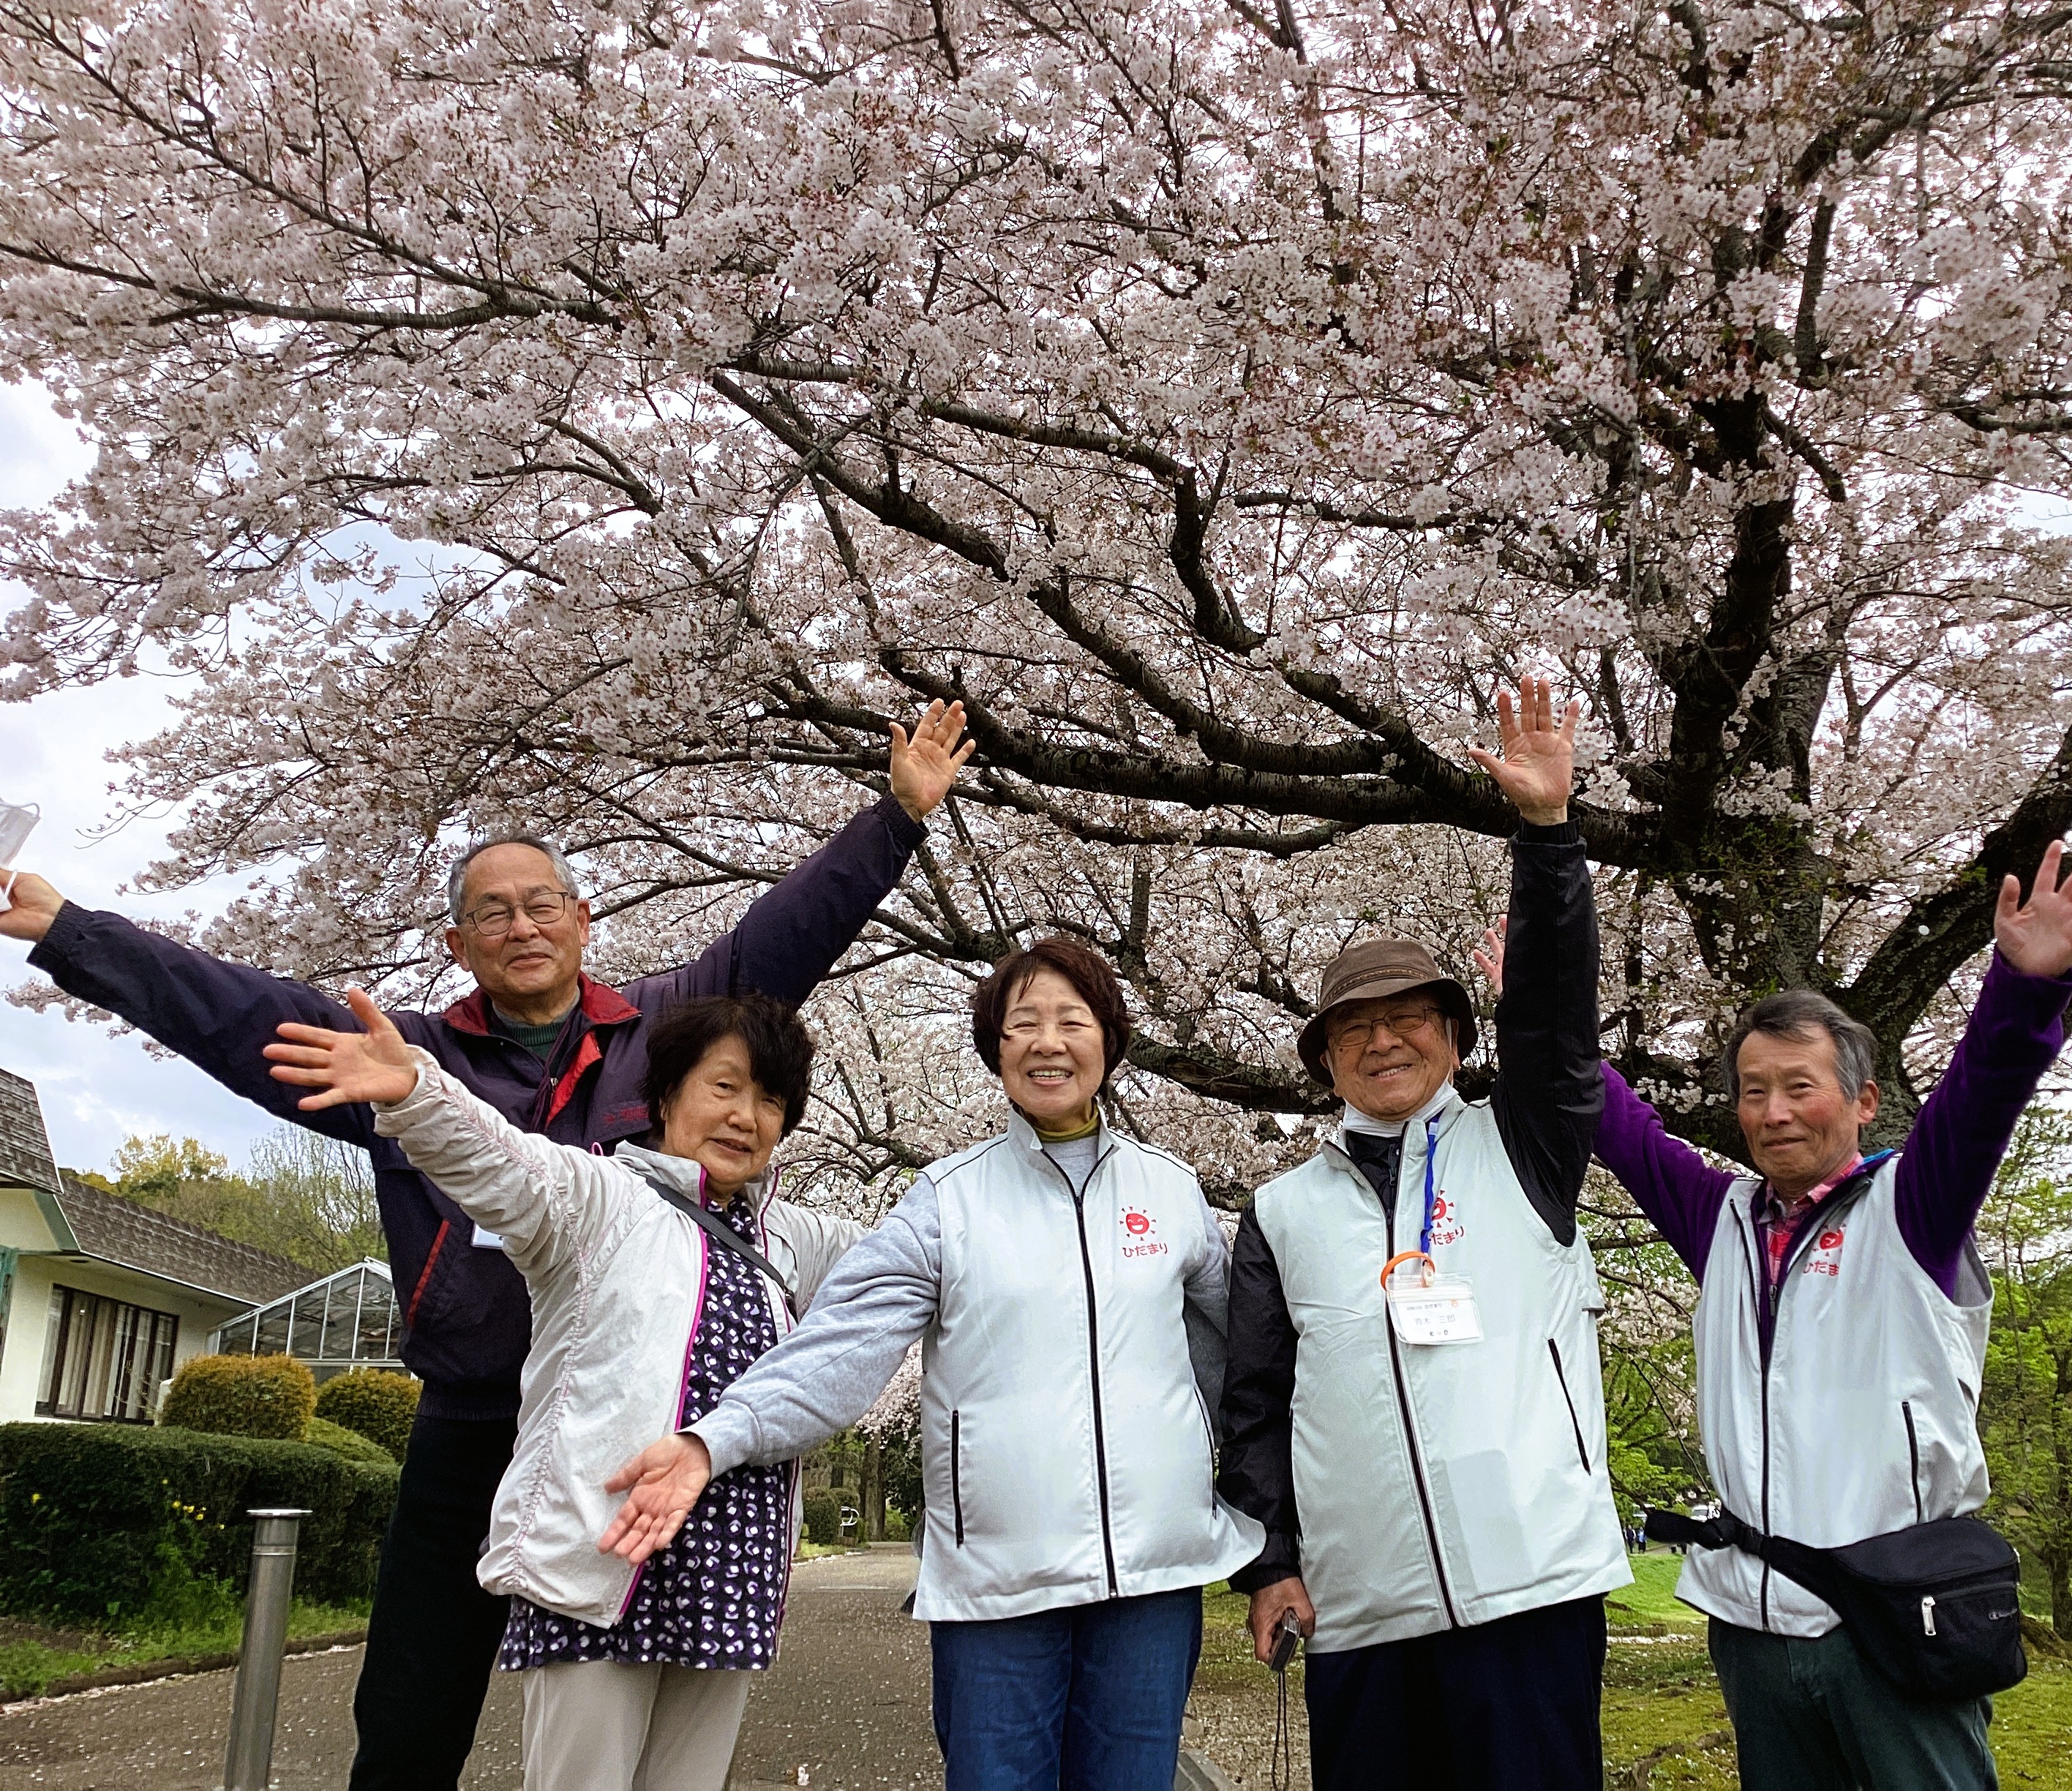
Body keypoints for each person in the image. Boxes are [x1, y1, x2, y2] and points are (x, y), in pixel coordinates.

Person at [0, 703, 972, 1790]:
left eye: (543, 905)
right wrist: (69, 930)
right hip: (471, 1419)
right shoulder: (401, 1055)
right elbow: (241, 1013)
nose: (523, 928)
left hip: (625, 1424)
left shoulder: (662, 1027)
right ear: (456, 945)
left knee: (643, 1699)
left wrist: (895, 817)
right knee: (413, 1713)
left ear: (583, 918)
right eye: (493, 915)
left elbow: (786, 935)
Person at [1506, 837, 2072, 1790]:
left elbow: (1980, 1100)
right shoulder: (1724, 1222)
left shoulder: (1914, 1210)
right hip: (1752, 1626)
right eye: (1755, 1092)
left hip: (1898, 1613)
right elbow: (1609, 1114)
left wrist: (2025, 986)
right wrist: (1538, 1004)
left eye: (1801, 1087)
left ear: (1864, 1102)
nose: (1775, 1112)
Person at [599, 934, 1263, 1791]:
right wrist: (713, 1440)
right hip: (996, 1584)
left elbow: (1238, 1361)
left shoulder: (1172, 1191)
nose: (1048, 1042)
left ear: (1109, 1040)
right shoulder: (948, 1200)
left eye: (1072, 1020)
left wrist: (1232, 1493)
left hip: (1154, 1578)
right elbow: (842, 1344)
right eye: (1023, 1025)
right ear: (996, 1051)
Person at [267, 986, 856, 1791]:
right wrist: (417, 1091)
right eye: (724, 1086)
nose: (745, 1117)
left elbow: (914, 1257)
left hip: (731, 1572)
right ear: (665, 1094)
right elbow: (504, 1161)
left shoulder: (792, 1238)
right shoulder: (600, 1200)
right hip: (600, 1564)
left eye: (770, 1099)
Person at [1215, 676, 1631, 1791]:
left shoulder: (1527, 1143)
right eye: (1355, 1027)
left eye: (1409, 1017)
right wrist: (1274, 1563)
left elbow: (1555, 1015)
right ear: (1324, 1060)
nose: (1384, 1041)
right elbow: (1256, 1402)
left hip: (1528, 1588)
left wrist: (1547, 835)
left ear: (1453, 1034)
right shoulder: (1282, 1211)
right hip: (1361, 1608)